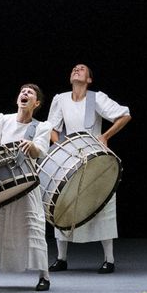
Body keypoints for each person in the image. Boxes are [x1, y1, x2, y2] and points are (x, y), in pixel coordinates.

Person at [46, 63, 131, 273]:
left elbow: (125, 115)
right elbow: (51, 128)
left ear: (89, 79)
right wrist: (61, 147)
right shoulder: (61, 99)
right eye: (74, 68)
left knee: (104, 204)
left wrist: (104, 136)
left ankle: (109, 259)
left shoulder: (96, 98)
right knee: (63, 202)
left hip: (95, 158)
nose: (76, 70)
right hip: (69, 159)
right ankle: (61, 258)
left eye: (82, 69)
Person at [0, 83, 54, 290]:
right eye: (22, 91)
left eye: (30, 92)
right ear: (18, 99)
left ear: (37, 103)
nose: (24, 93)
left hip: (26, 183)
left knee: (32, 225)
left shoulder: (42, 127)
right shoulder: (3, 119)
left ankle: (44, 276)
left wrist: (32, 146)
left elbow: (40, 151)